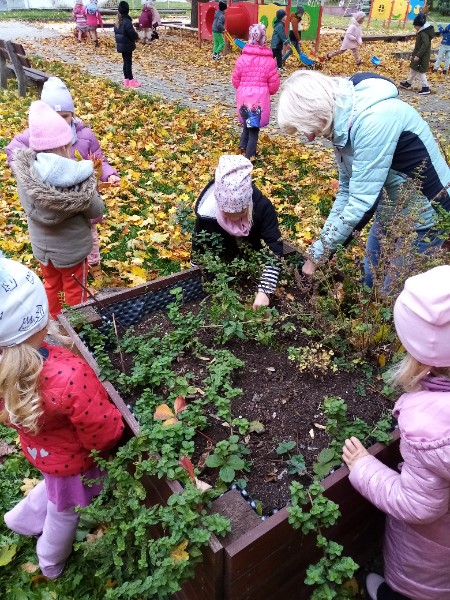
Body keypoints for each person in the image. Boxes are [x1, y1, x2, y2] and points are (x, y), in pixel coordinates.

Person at [0, 255, 124, 579]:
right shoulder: (69, 375)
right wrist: (109, 447)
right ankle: (50, 559)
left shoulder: (5, 373)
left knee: (53, 488)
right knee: (64, 511)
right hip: (72, 462)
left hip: (43, 451)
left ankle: (20, 519)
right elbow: (102, 428)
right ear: (41, 321)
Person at [277, 71, 450, 286]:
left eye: (306, 128)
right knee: (370, 276)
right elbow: (346, 191)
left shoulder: (374, 120)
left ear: (316, 111)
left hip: (426, 215)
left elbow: (361, 204)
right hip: (391, 207)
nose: (310, 137)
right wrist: (319, 250)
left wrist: (317, 257)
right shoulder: (342, 123)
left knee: (394, 292)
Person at [342, 265, 450, 600]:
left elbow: (417, 505)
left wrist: (363, 467)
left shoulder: (430, 430)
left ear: (423, 361)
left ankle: (394, 594)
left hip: (430, 555)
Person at [5, 76, 120, 273]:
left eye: (65, 116)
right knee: (69, 238)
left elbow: (99, 158)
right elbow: (13, 150)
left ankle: (93, 264)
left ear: (72, 114)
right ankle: (79, 268)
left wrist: (108, 174)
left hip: (82, 201)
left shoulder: (84, 135)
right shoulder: (36, 135)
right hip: (55, 199)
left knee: (90, 235)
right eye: (55, 117)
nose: (61, 122)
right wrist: (29, 172)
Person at [11, 101, 104, 318]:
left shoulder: (26, 175)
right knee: (75, 288)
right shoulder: (77, 180)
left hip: (43, 250)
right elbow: (95, 210)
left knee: (51, 284)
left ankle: (53, 319)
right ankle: (78, 324)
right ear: (63, 146)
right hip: (72, 251)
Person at [192, 155, 283, 310]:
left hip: (254, 260)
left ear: (248, 203)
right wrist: (194, 272)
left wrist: (265, 290)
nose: (234, 220)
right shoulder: (207, 214)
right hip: (222, 265)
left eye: (240, 214)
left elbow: (274, 246)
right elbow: (198, 245)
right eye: (227, 216)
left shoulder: (262, 207)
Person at [231, 23, 280, 160]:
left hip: (243, 95)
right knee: (254, 128)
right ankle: (249, 156)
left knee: (247, 118)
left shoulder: (242, 59)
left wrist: (242, 88)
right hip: (259, 98)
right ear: (264, 39)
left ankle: (242, 144)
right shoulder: (270, 61)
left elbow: (235, 79)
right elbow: (274, 85)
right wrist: (269, 91)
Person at [400, 13, 434, 95]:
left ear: (419, 25)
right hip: (418, 54)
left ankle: (425, 88)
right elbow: (418, 45)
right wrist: (414, 54)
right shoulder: (421, 32)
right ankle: (408, 83)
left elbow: (425, 45)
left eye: (415, 26)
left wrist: (418, 55)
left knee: (421, 71)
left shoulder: (423, 33)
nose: (414, 27)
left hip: (422, 56)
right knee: (413, 68)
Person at [114, 1, 141, 88]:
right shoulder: (127, 21)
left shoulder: (117, 21)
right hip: (127, 45)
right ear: (127, 10)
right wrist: (137, 37)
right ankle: (131, 81)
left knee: (125, 62)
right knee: (128, 63)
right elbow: (131, 33)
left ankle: (126, 80)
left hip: (121, 45)